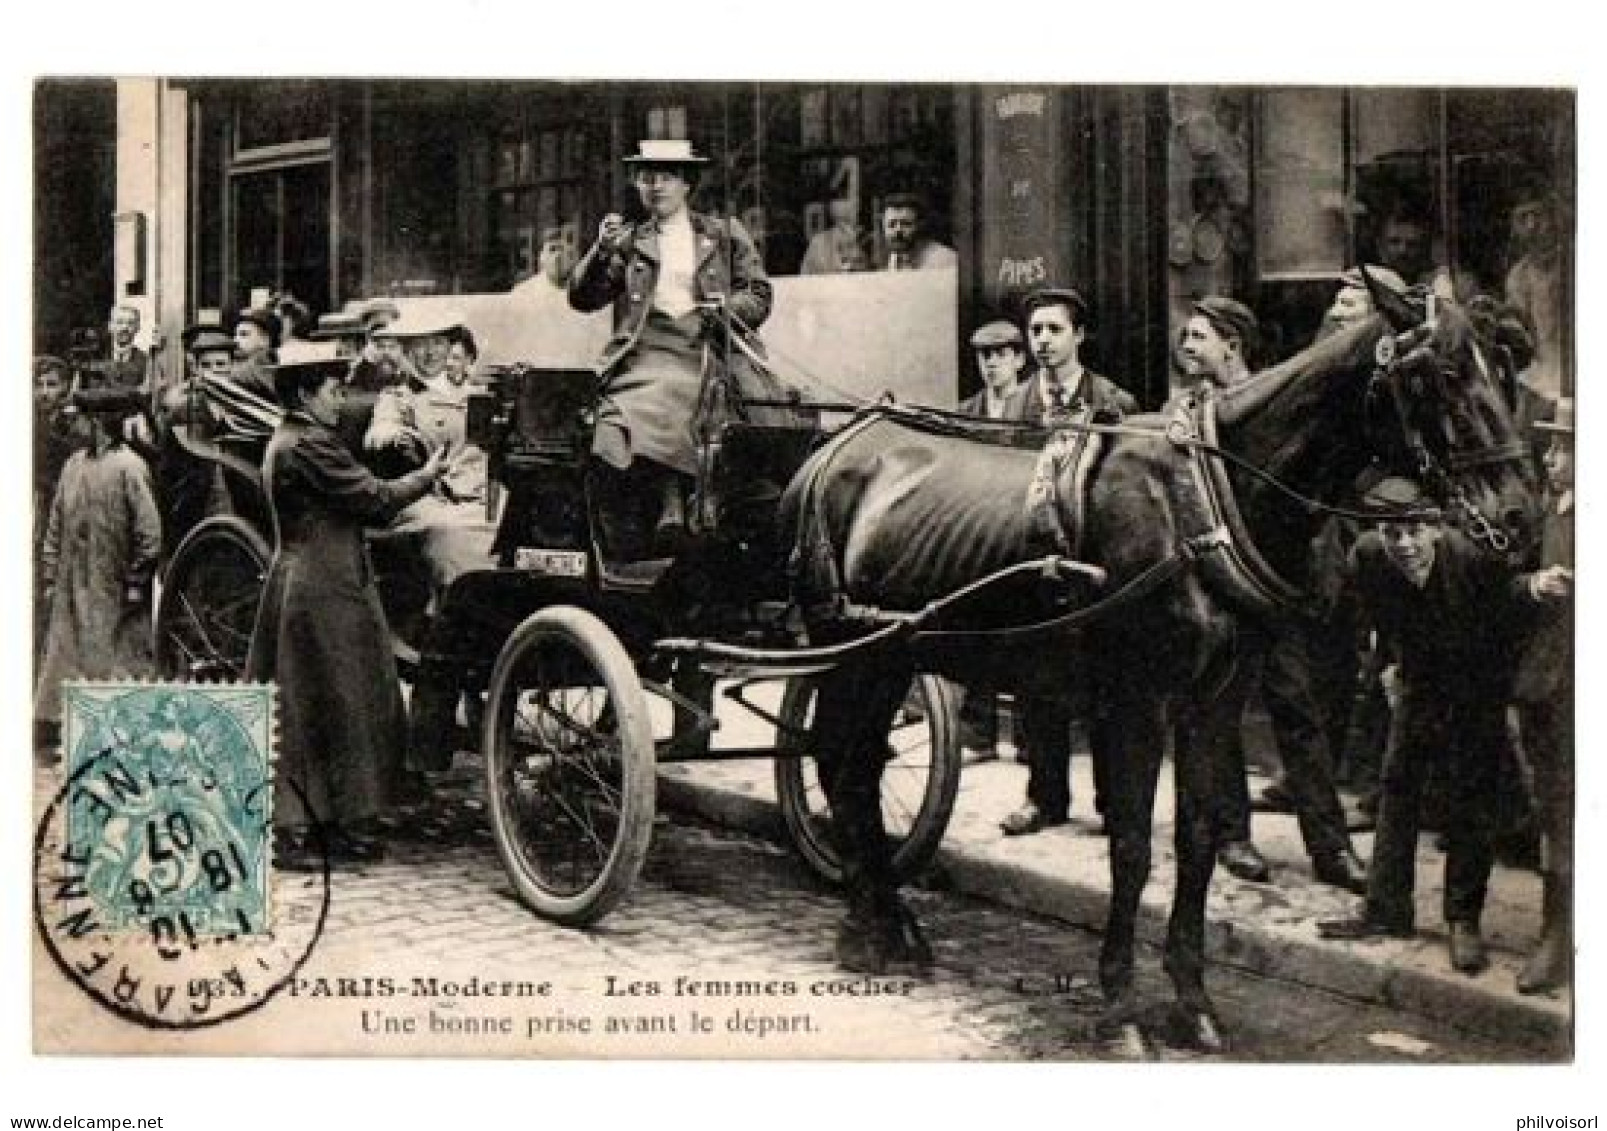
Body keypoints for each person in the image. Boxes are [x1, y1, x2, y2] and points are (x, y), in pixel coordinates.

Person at [1318, 477, 1533, 974]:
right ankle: (1386, 907)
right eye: (1393, 533)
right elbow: (1374, 621)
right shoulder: (1370, 558)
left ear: (1436, 529)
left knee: (1470, 799)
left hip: (1479, 685)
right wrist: (1390, 667)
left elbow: (1507, 631)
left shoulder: (1474, 562)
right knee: (1397, 788)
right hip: (1418, 680)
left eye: (1415, 530)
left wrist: (1495, 706)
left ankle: (1463, 920)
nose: (1405, 545)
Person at [246, 357, 452, 869]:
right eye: (333, 391)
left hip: (308, 580)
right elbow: (375, 499)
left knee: (327, 705)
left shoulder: (289, 438)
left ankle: (329, 822)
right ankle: (292, 831)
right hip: (324, 589)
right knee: (320, 704)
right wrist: (428, 475)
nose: (340, 400)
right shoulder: (310, 444)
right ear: (305, 396)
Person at [568, 138, 790, 559]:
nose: (656, 186)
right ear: (636, 184)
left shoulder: (723, 235)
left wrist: (727, 309)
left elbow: (758, 293)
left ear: (686, 184)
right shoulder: (631, 241)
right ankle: (659, 509)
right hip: (643, 352)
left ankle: (678, 504)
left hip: (706, 346)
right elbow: (582, 298)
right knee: (612, 422)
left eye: (667, 176)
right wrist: (600, 251)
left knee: (690, 392)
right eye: (646, 177)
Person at [998, 286, 1134, 836]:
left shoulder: (1113, 401)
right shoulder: (1016, 405)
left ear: (1079, 335)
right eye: (1036, 332)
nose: (1044, 341)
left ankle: (1111, 802)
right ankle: (1044, 798)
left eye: (1055, 330)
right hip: (1036, 562)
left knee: (1105, 684)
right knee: (1039, 684)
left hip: (1096, 566)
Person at [33, 387, 163, 759]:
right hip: (72, 584)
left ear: (101, 424)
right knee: (65, 654)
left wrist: (138, 580)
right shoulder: (73, 465)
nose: (74, 423)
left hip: (115, 585)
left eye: (82, 418)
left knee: (117, 657)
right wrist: (49, 573)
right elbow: (55, 523)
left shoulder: (130, 467)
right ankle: (57, 730)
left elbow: (149, 532)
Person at [1512, 398, 1574, 994]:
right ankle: (1554, 936)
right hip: (1545, 687)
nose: (1552, 460)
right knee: (1555, 813)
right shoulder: (1543, 512)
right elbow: (1503, 581)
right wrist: (1533, 583)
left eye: (1565, 449)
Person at [1504, 186, 1567, 431]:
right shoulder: (1518, 276)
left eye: (1538, 215)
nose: (1532, 226)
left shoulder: (1573, 264)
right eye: (1523, 218)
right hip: (1540, 379)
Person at [958, 319, 1028, 419]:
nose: (991, 363)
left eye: (1001, 354)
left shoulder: (1034, 408)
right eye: (986, 355)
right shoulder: (965, 412)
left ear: (1019, 360)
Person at [875, 192, 956, 271]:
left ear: (920, 225)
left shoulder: (945, 260)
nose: (898, 230)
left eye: (906, 224)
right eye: (891, 225)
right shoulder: (895, 258)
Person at [801, 189, 872, 275]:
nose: (855, 202)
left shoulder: (872, 239)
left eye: (858, 197)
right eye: (844, 197)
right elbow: (805, 281)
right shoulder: (819, 244)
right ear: (831, 206)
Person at [231, 307, 283, 402]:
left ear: (265, 340)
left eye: (244, 335)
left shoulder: (254, 369)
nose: (235, 340)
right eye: (235, 335)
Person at [510, 227, 576, 301]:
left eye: (562, 249)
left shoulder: (576, 289)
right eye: (552, 249)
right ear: (542, 257)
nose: (558, 255)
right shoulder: (524, 292)